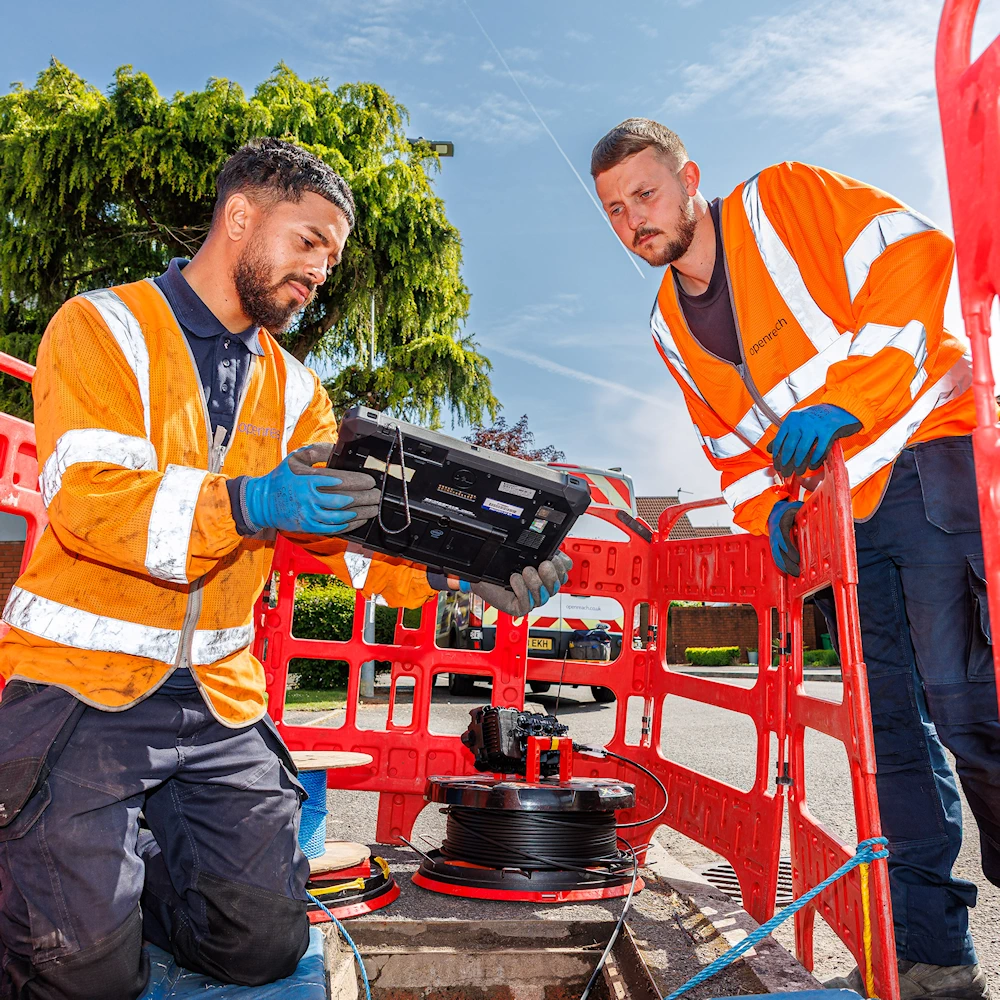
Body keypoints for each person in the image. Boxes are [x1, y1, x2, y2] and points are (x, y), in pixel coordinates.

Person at [0, 137, 571, 1000]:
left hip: (217, 698)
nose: (320, 272)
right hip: (83, 694)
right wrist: (248, 504)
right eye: (309, 241)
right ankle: (79, 888)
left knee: (261, 950)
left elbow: (340, 536)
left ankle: (120, 862)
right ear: (240, 217)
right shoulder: (102, 326)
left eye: (332, 257)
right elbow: (91, 502)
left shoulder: (299, 390)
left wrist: (459, 574)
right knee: (80, 980)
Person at [591, 118, 997, 1000]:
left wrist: (847, 401)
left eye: (647, 195)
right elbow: (732, 451)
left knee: (974, 705)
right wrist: (769, 506)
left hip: (924, 459)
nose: (635, 222)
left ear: (690, 176)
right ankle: (933, 958)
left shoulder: (783, 201)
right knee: (889, 739)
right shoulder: (668, 328)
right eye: (616, 212)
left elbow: (918, 258)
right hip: (841, 520)